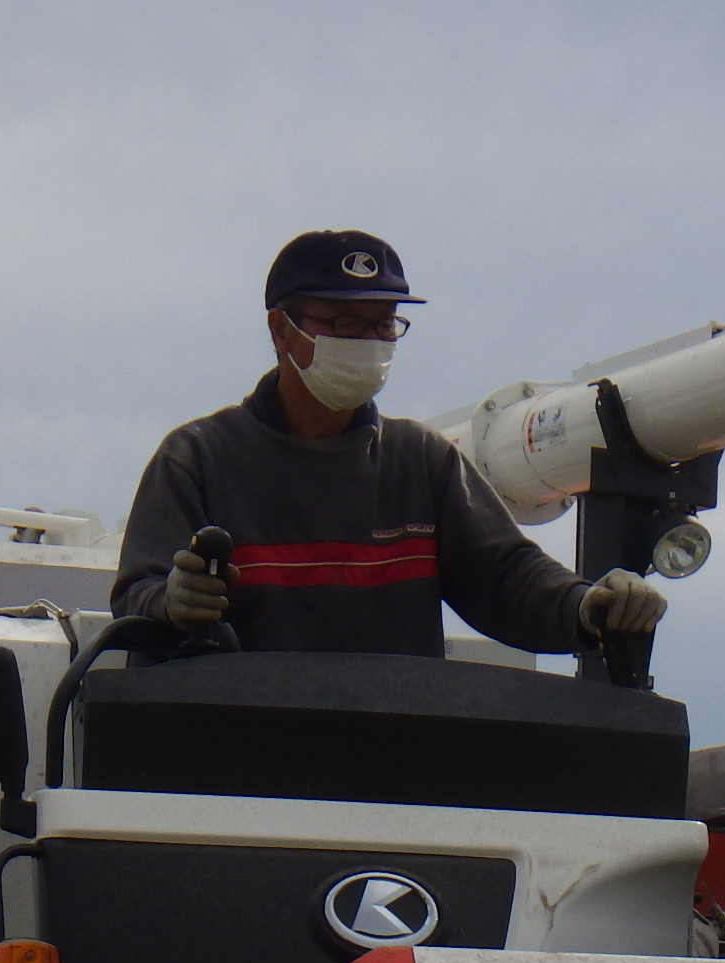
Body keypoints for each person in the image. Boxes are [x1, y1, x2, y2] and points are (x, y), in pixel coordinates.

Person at [110, 229, 664, 659]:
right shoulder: (198, 458)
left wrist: (587, 605)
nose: (371, 343)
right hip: (236, 770)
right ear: (281, 331)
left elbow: (505, 577)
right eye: (347, 323)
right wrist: (171, 603)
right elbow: (139, 594)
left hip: (394, 766)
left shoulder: (422, 462)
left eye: (384, 325)